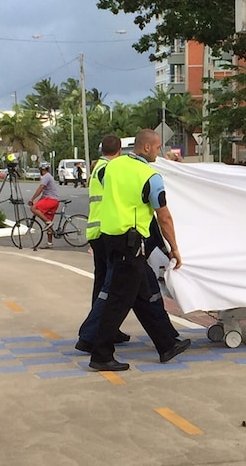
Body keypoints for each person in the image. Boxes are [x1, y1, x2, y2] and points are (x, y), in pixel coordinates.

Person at [88, 129, 190, 371]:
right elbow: (163, 216)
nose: (158, 152)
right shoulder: (150, 176)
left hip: (110, 239)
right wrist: (174, 248)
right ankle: (101, 354)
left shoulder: (112, 166)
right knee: (118, 301)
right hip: (130, 243)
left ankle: (166, 345)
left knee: (142, 295)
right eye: (157, 148)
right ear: (146, 148)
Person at [76, 135, 131, 348]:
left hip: (97, 231)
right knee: (110, 285)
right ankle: (96, 332)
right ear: (120, 150)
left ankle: (107, 328)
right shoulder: (108, 170)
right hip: (105, 231)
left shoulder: (98, 167)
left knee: (103, 283)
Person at [28, 162, 60, 249]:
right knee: (48, 221)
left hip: (50, 200)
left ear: (41, 170)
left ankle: (48, 222)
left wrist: (32, 199)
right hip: (53, 201)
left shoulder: (46, 177)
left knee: (33, 208)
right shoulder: (49, 176)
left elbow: (41, 188)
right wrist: (38, 201)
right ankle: (49, 243)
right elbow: (44, 194)